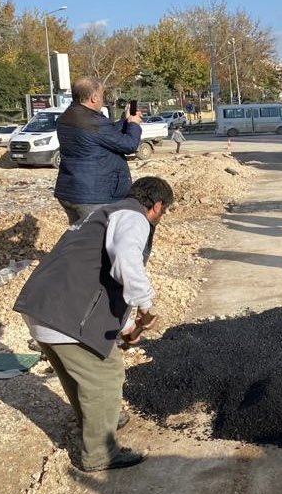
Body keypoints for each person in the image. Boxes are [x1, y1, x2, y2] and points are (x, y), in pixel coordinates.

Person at [13, 176, 174, 472]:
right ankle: (100, 453)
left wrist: (125, 329)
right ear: (157, 205)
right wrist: (147, 306)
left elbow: (102, 278)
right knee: (106, 373)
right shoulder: (134, 217)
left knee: (79, 375)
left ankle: (100, 420)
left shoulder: (103, 214)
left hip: (43, 308)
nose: (158, 219)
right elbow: (126, 261)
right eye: (162, 213)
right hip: (66, 313)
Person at [54, 77, 143, 225]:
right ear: (94, 97)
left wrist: (126, 121)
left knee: (79, 239)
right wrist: (134, 125)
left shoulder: (67, 117)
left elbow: (105, 135)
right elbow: (129, 145)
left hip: (70, 191)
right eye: (102, 96)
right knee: (96, 241)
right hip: (93, 196)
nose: (103, 100)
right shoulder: (94, 122)